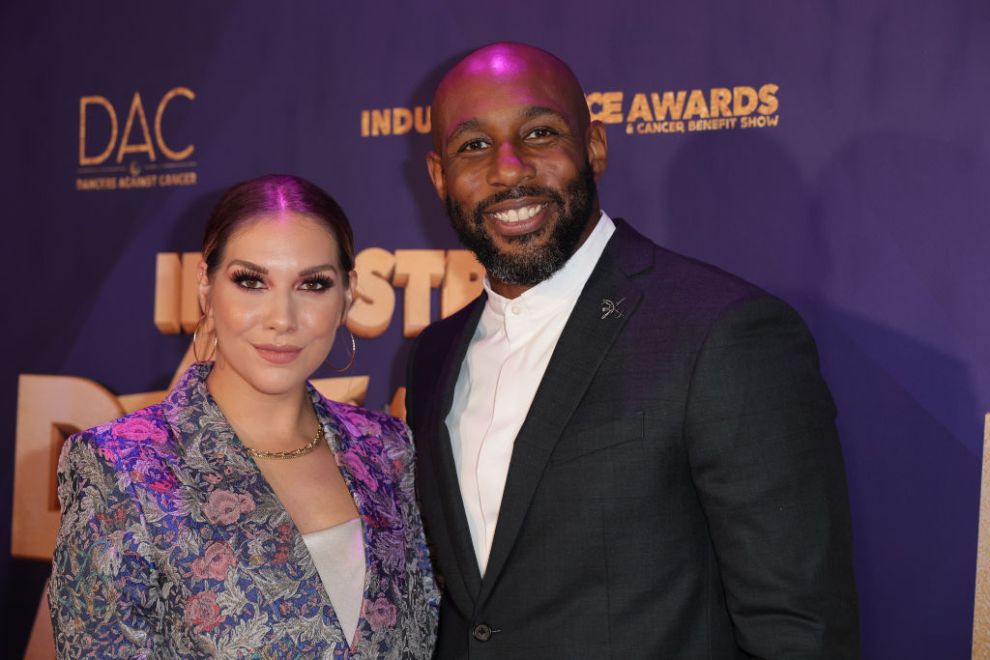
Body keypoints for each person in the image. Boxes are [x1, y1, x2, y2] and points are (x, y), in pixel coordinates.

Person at [405, 43, 859, 658]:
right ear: (438, 175)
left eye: (540, 133)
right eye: (474, 145)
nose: (509, 170)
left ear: (594, 145)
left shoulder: (722, 331)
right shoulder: (434, 353)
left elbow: (798, 625)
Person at [49, 175, 438, 658]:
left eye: (313, 284)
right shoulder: (121, 465)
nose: (281, 318)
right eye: (251, 281)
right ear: (206, 288)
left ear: (348, 295)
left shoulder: (387, 448)